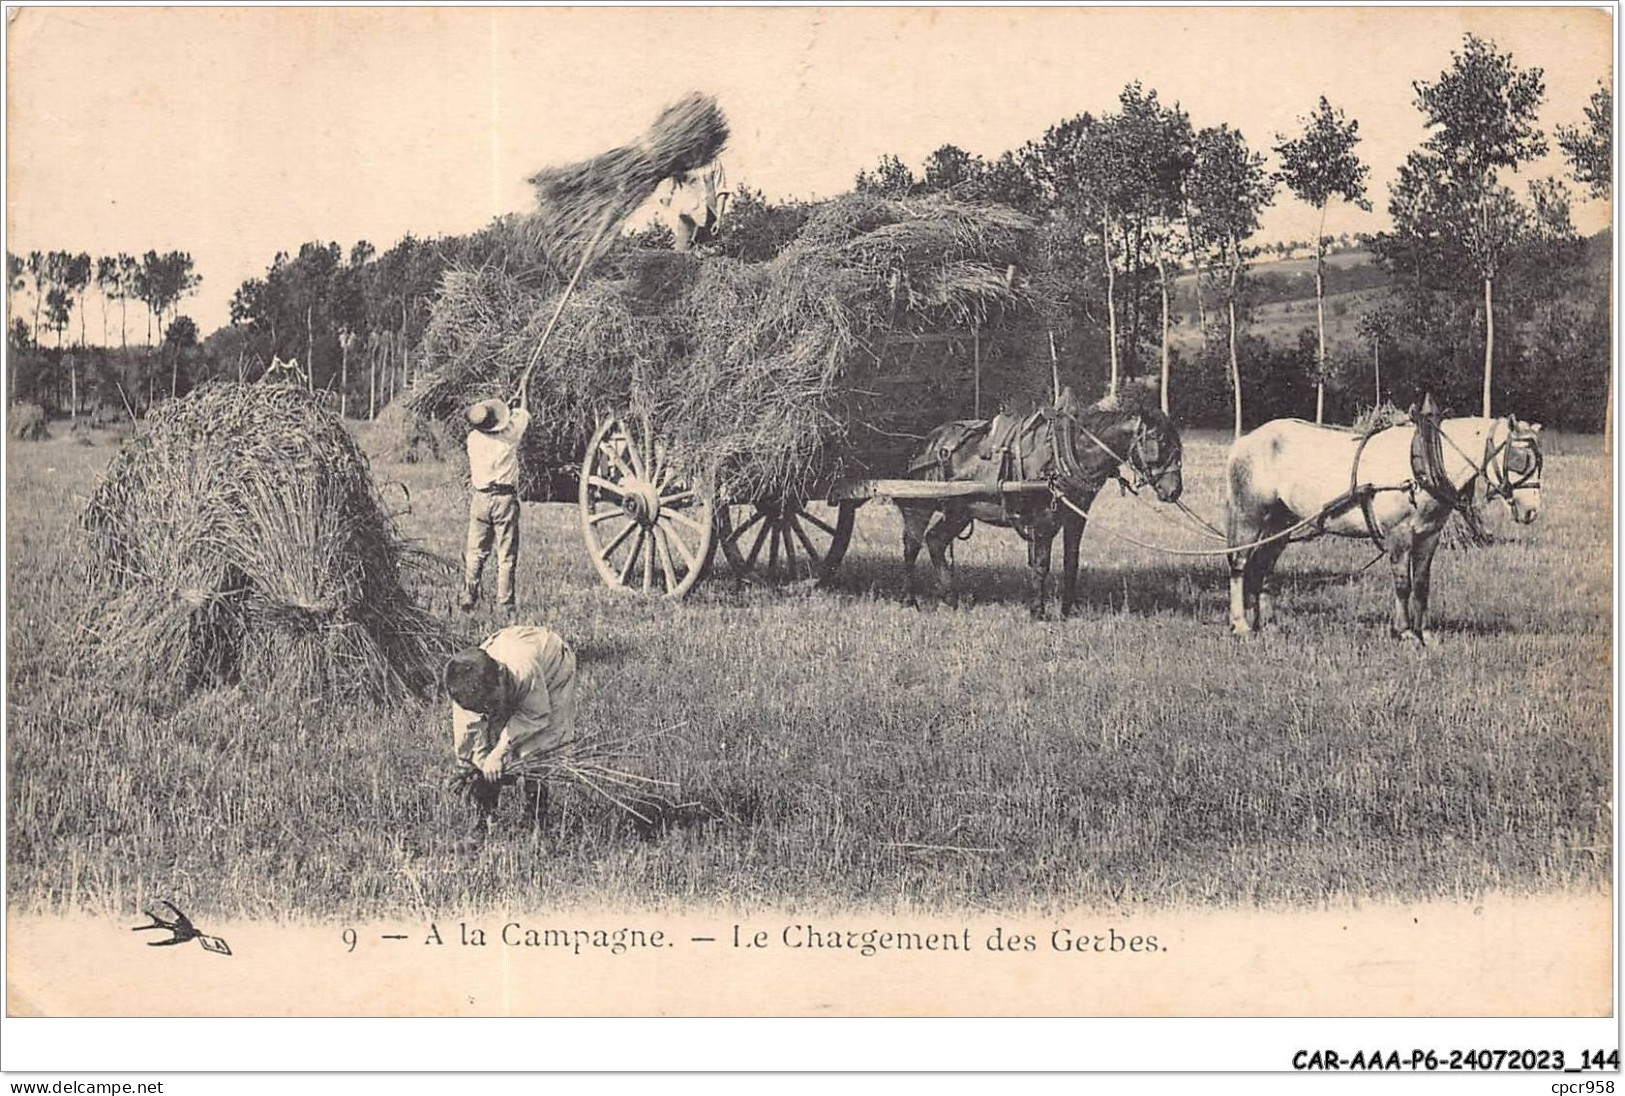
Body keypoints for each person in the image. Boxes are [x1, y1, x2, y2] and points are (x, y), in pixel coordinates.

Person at [444, 624, 577, 838]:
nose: (488, 710)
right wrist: (483, 765)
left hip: (552, 665)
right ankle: (484, 817)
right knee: (486, 751)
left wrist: (499, 753)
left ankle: (535, 817)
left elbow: (536, 715)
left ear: (500, 676)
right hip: (509, 654)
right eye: (483, 708)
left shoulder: (523, 670)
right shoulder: (465, 686)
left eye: (493, 701)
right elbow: (468, 740)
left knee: (537, 749)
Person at [461, 392, 531, 611]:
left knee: (476, 552)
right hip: (504, 500)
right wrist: (521, 396)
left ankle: (468, 596)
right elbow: (524, 415)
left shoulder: (472, 439)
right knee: (506, 554)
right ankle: (505, 603)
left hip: (480, 499)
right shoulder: (510, 435)